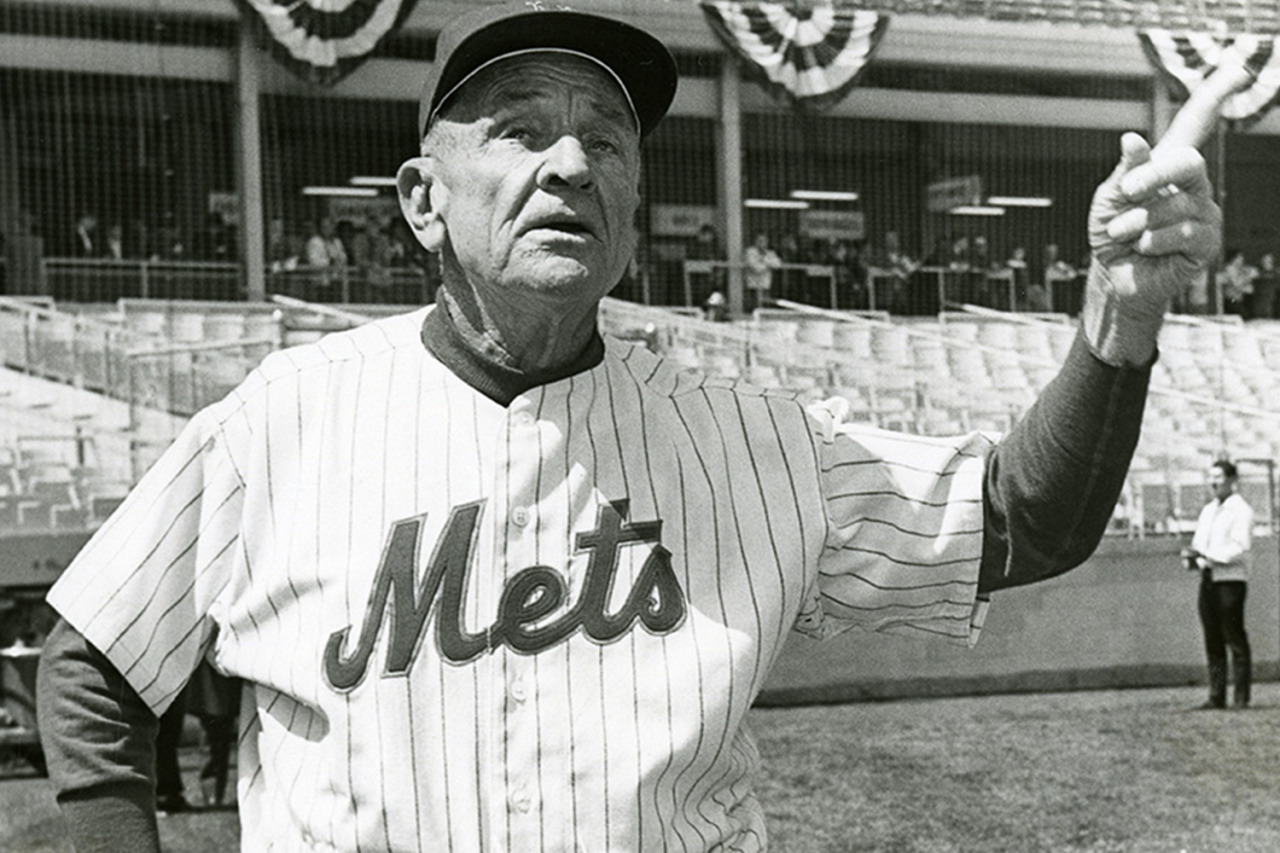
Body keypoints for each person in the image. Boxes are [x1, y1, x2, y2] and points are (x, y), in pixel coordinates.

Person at [35, 3, 1239, 851]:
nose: (569, 161)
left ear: (629, 204)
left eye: (603, 140)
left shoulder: (751, 438)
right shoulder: (279, 422)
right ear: (420, 201)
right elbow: (93, 657)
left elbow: (1022, 519)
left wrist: (1117, 313)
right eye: (517, 128)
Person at [1181, 459, 1253, 709]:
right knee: (1212, 638)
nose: (1213, 482)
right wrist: (1194, 558)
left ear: (1232, 480)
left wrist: (1209, 557)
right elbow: (1201, 544)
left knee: (1234, 637)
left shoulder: (1240, 510)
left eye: (1219, 477)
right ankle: (1216, 695)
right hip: (1210, 579)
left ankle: (1241, 696)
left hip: (1230, 581)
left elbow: (1240, 547)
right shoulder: (1208, 510)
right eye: (1210, 477)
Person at [744, 230, 781, 311]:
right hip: (753, 283)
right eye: (760, 241)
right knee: (755, 305)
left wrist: (764, 261)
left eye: (764, 241)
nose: (762, 243)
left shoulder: (770, 252)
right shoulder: (750, 252)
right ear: (755, 241)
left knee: (766, 303)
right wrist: (768, 264)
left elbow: (778, 264)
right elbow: (755, 267)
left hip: (765, 283)